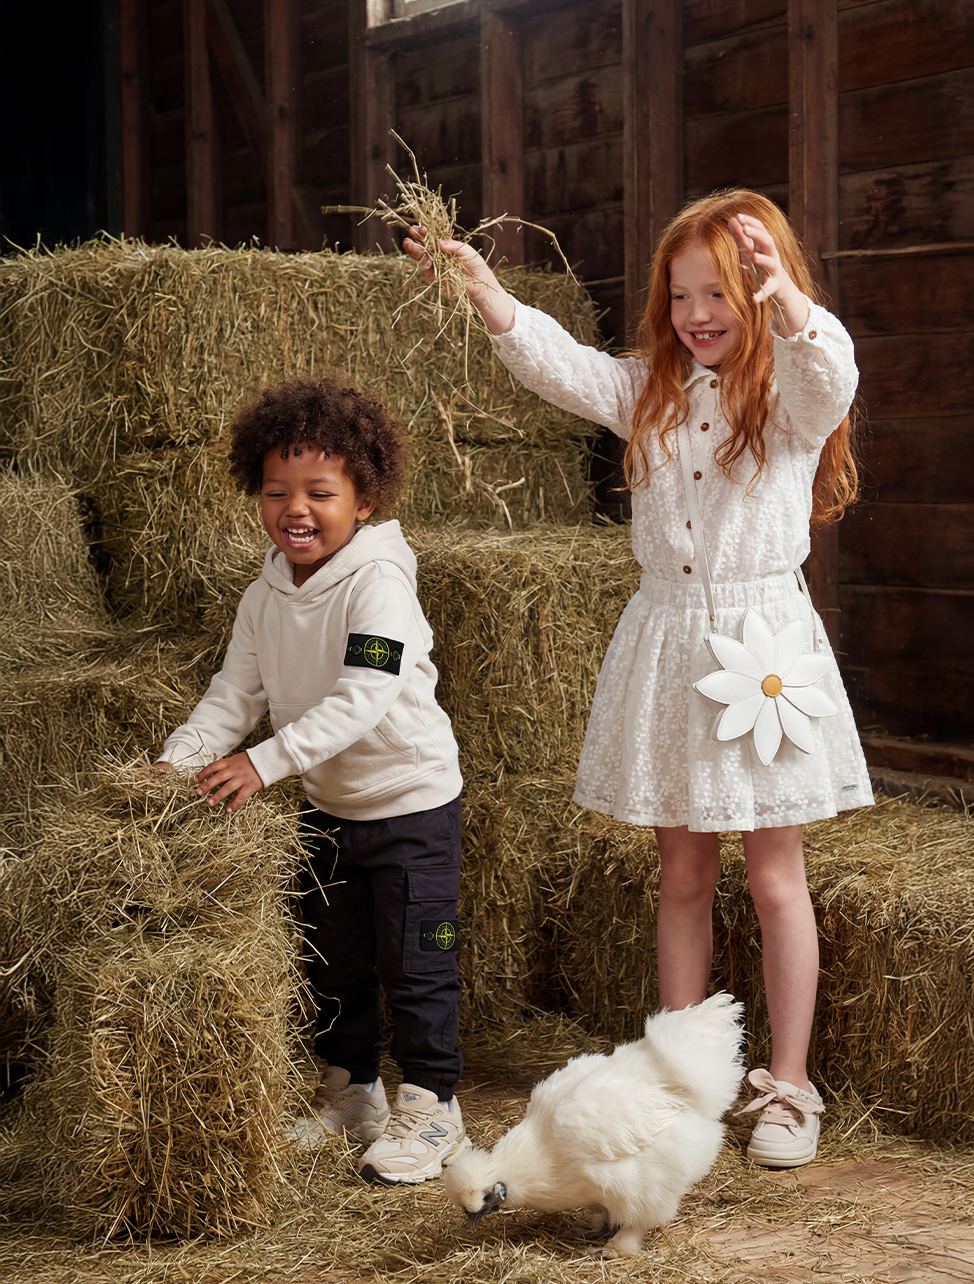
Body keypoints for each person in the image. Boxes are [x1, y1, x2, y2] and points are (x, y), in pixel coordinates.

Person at [404, 189, 873, 1169]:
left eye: (720, 293)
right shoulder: (649, 390)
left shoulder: (787, 394)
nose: (697, 313)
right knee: (683, 874)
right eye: (681, 294)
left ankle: (789, 1086)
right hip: (670, 642)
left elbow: (831, 375)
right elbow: (561, 365)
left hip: (761, 652)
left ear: (759, 292)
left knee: (775, 877)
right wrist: (487, 291)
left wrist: (788, 302)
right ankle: (681, 1082)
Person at [153, 375, 468, 1186]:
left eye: (320, 493)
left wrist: (262, 763)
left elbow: (365, 696)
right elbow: (233, 696)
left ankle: (433, 1108)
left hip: (409, 808)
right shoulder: (264, 596)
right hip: (330, 808)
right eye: (276, 492)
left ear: (365, 501)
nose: (295, 509)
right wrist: (172, 765)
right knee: (333, 959)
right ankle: (353, 1094)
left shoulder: (379, 584)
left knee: (417, 963)